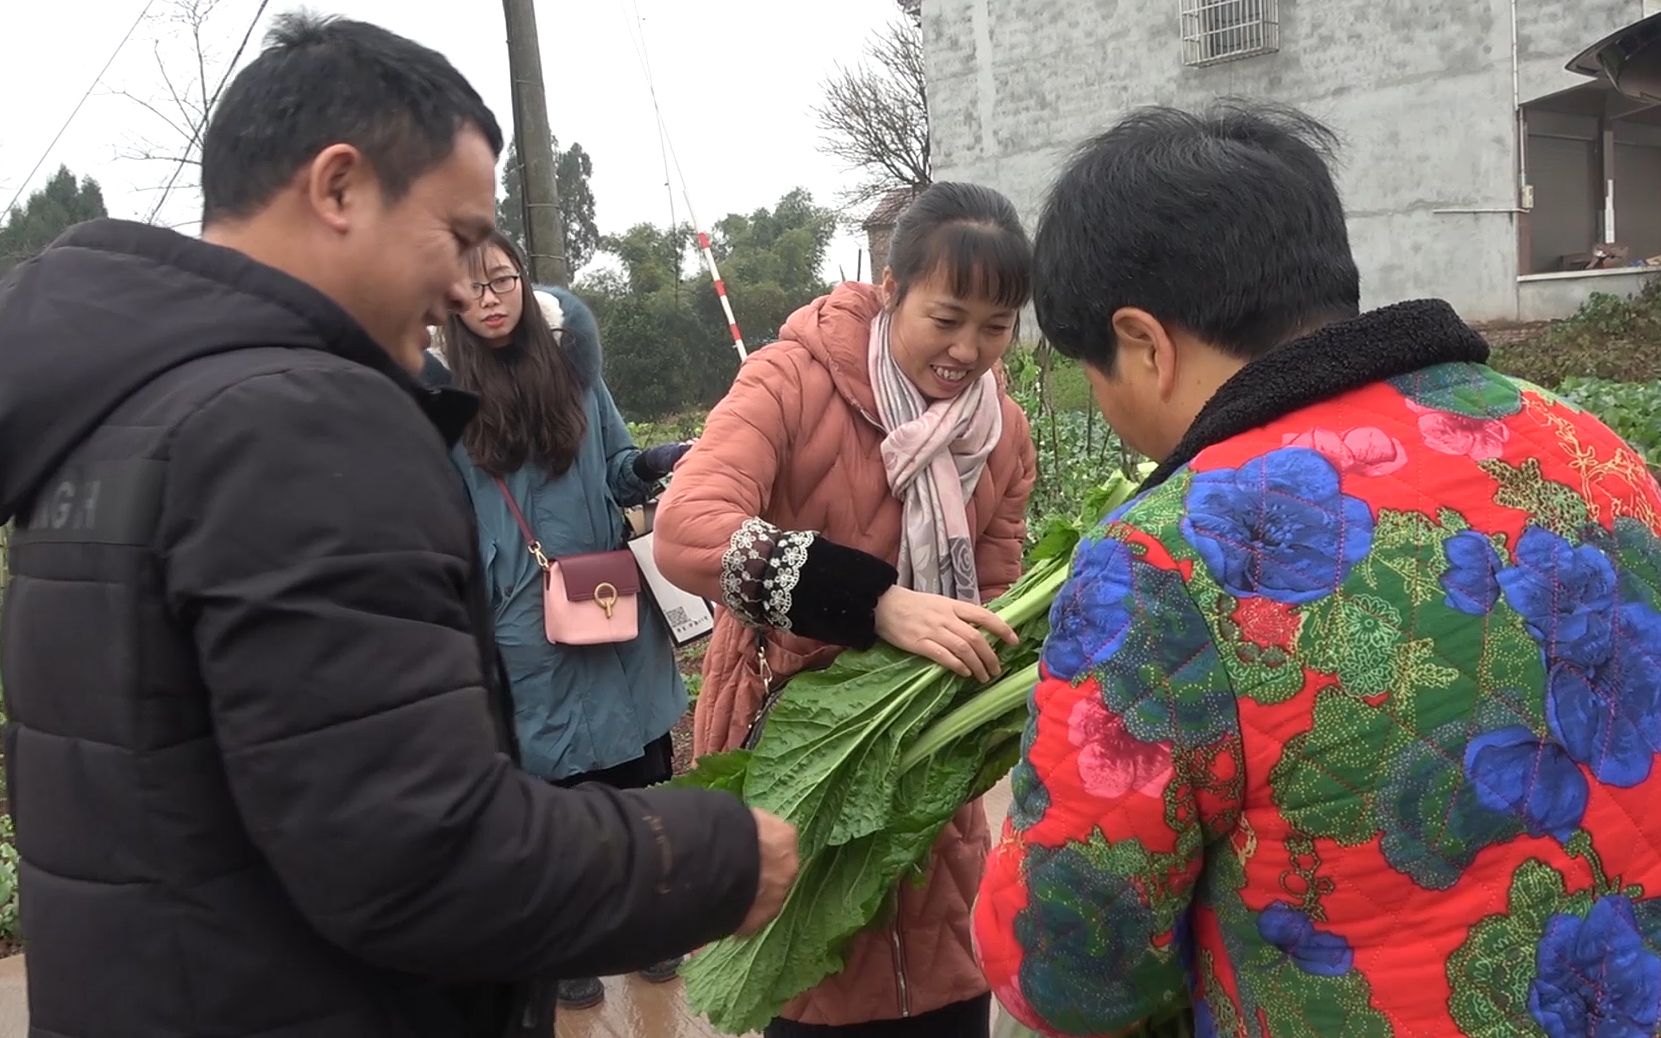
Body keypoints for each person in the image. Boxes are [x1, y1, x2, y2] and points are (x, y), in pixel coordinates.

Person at [0, 15, 796, 1038]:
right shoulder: (296, 420)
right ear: (336, 188)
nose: (465, 285)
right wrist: (711, 855)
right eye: (457, 236)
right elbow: (417, 854)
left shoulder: (110, 409)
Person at [973, 101, 1661, 1037]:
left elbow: (1069, 970)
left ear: (1142, 343)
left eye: (1095, 375)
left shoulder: (1161, 558)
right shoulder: (1588, 446)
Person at [655, 182, 1039, 1037]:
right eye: (946, 318)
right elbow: (685, 529)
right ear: (891, 288)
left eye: (995, 325)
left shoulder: (1001, 431)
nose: (966, 349)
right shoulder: (790, 379)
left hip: (924, 749)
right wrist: (875, 604)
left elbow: (994, 592)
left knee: (941, 977)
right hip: (801, 746)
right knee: (807, 975)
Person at [433, 230, 694, 1009]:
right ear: (450, 300)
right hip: (517, 622)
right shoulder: (440, 401)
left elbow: (616, 469)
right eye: (472, 286)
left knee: (635, 778)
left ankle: (653, 929)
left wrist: (654, 462)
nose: (490, 296)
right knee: (553, 788)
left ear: (523, 282)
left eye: (503, 277)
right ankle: (572, 945)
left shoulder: (575, 375)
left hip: (609, 600)